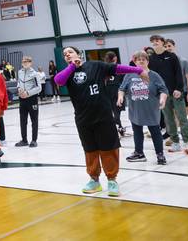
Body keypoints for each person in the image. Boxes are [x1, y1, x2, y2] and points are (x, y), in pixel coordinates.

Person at [55, 46, 147, 197]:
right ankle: (94, 180)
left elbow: (117, 68)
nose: (67, 55)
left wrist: (137, 70)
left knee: (108, 148)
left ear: (79, 53)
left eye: (70, 52)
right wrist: (72, 66)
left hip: (103, 116)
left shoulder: (95, 65)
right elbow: (58, 80)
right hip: (83, 118)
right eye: (65, 54)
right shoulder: (68, 73)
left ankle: (112, 180)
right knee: (90, 149)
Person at [118, 51, 168, 165]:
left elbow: (164, 90)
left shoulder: (154, 75)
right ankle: (139, 153)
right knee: (137, 131)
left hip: (151, 110)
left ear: (147, 61)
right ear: (134, 62)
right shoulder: (129, 75)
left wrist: (162, 99)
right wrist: (120, 97)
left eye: (143, 59)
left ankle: (160, 154)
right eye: (138, 59)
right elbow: (122, 88)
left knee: (155, 132)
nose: (141, 61)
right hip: (135, 109)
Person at [147, 35, 188, 154]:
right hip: (162, 94)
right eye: (153, 41)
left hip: (175, 92)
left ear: (162, 42)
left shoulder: (171, 56)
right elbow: (151, 76)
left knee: (182, 118)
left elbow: (178, 73)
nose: (155, 43)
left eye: (157, 40)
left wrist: (179, 88)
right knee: (168, 119)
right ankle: (176, 142)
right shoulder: (151, 59)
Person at [15, 56, 40, 148]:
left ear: (31, 63)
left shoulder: (35, 74)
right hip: (22, 99)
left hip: (32, 99)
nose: (25, 63)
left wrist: (28, 93)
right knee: (22, 120)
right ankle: (24, 140)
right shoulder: (20, 72)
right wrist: (19, 90)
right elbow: (19, 82)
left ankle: (34, 140)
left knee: (34, 120)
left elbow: (39, 88)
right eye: (23, 62)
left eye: (27, 61)